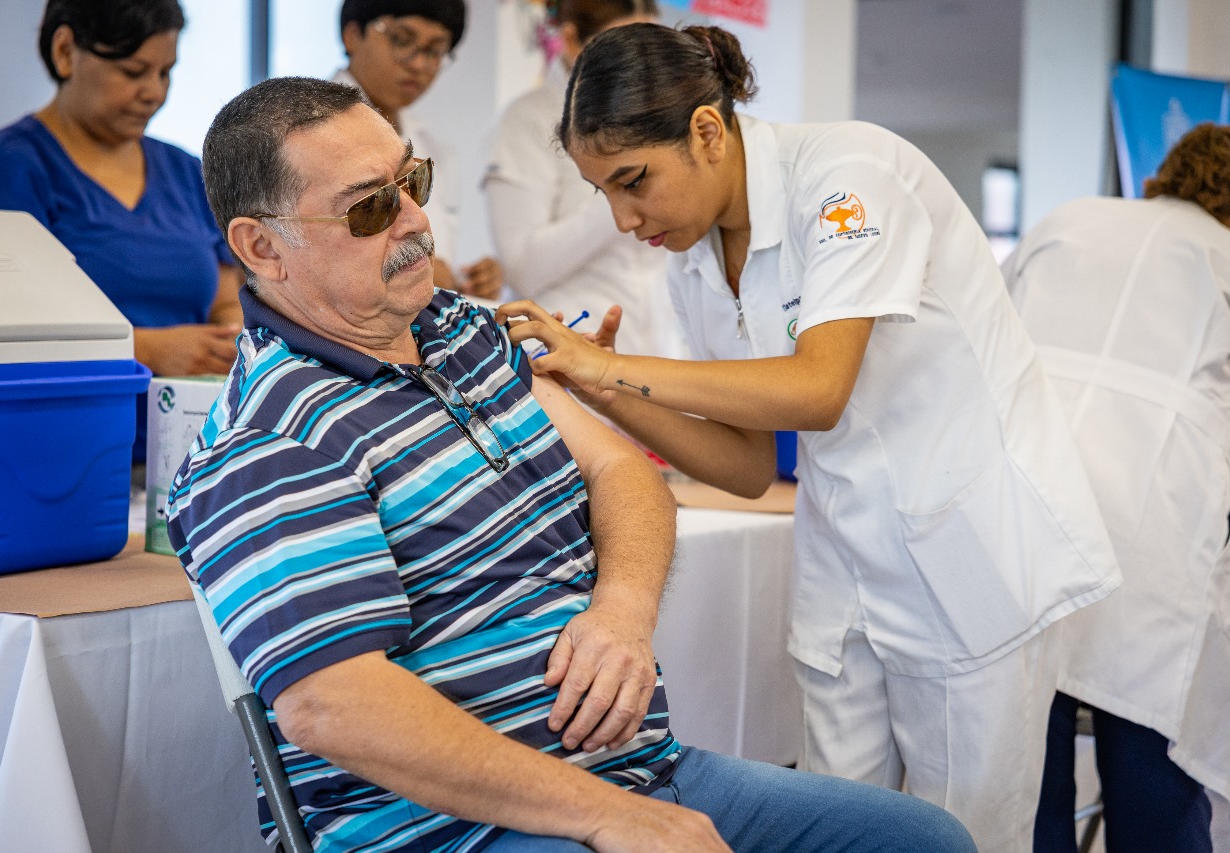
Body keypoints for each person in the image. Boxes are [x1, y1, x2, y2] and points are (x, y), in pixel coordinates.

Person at [166, 75, 977, 853]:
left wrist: (620, 611)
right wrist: (606, 815)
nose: (415, 220)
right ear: (262, 247)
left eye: (412, 180)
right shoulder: (268, 438)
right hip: (455, 831)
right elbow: (331, 706)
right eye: (372, 206)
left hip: (635, 775)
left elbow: (622, 472)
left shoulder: (464, 332)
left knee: (923, 838)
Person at [496, 23, 1122, 853]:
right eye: (601, 191)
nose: (621, 217)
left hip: (969, 557)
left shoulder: (848, 177)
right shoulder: (690, 261)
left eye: (632, 180)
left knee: (962, 835)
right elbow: (749, 463)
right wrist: (600, 386)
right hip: (846, 561)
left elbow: (817, 389)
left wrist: (616, 369)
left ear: (708, 133)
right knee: (842, 827)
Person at [1003, 123, 1230, 853]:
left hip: (1024, 516)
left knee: (1024, 784)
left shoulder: (1071, 220)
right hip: (1156, 547)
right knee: (1152, 782)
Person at [0, 0, 241, 462]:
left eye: (165, 72)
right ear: (66, 51)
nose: (153, 92)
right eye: (133, 71)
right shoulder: (5, 169)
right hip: (60, 448)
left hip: (184, 454)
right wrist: (145, 349)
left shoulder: (186, 172)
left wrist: (230, 333)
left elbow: (225, 294)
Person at [482, 0, 682, 357]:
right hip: (565, 344)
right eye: (621, 46)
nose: (638, 64)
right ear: (572, 40)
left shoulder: (656, 118)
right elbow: (523, 267)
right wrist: (627, 188)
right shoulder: (527, 119)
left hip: (656, 346)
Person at [334, 0, 503, 300]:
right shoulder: (313, 134)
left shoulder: (435, 149)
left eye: (435, 50)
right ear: (353, 35)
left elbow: (439, 259)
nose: (419, 63)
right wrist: (420, 268)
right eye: (401, 39)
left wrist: (469, 280)